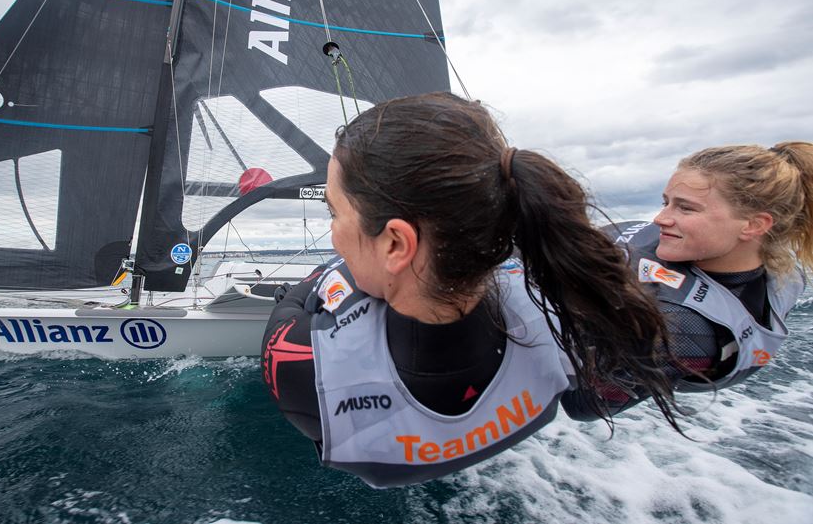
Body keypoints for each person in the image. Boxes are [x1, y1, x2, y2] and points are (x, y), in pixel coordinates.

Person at [261, 92, 679, 488]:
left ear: (395, 244)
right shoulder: (570, 302)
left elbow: (297, 305)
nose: (333, 233)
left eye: (334, 211)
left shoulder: (302, 368)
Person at [564, 143, 812, 418]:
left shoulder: (680, 331)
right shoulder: (789, 273)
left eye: (686, 208)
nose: (660, 219)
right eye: (665, 202)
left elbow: (584, 406)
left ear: (754, 225)